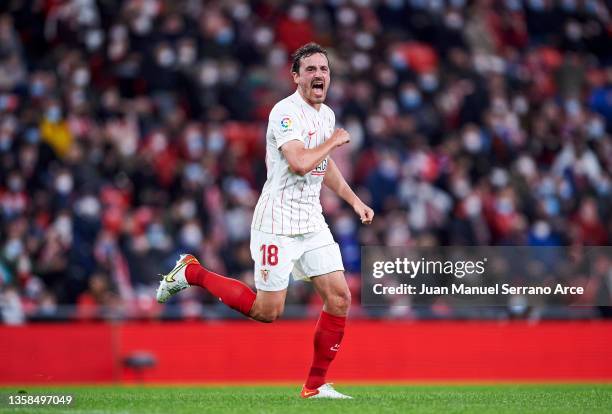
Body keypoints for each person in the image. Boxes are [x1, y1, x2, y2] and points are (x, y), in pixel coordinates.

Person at [156, 42, 374, 399]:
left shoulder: (326, 115)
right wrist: (334, 142)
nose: (319, 75)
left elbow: (322, 166)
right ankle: (191, 272)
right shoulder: (284, 113)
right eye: (311, 69)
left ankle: (314, 387)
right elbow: (301, 162)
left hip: (312, 220)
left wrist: (354, 200)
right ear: (296, 77)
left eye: (324, 69)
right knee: (267, 311)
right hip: (277, 222)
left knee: (340, 298)